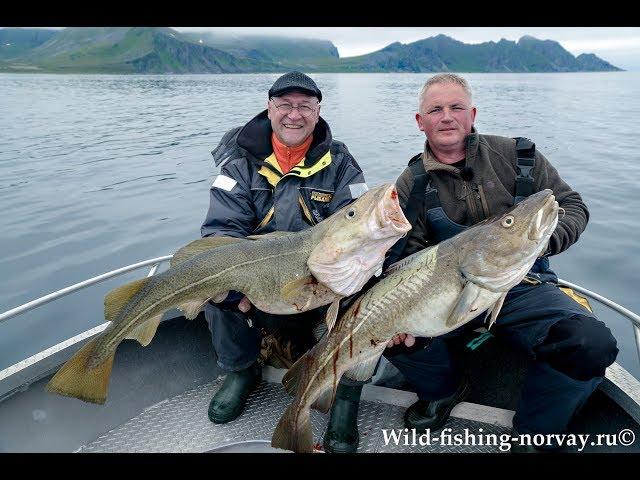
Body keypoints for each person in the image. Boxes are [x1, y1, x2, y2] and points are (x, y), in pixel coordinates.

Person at [374, 73, 618, 453]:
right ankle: (443, 391)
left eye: (456, 107)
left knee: (590, 343)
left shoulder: (520, 156)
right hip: (448, 288)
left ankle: (536, 433)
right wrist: (399, 315)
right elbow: (404, 256)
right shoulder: (410, 185)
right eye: (435, 110)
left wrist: (540, 244)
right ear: (420, 121)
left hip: (523, 285)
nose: (447, 117)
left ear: (472, 114)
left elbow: (571, 206)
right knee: (389, 336)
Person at [200, 71, 369, 453]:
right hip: (257, 282)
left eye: (305, 106)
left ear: (318, 111)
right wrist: (239, 289)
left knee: (367, 295)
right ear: (269, 107)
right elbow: (221, 232)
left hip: (319, 283)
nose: (295, 115)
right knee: (213, 284)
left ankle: (345, 396)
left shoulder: (341, 163)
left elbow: (354, 225)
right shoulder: (237, 163)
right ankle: (240, 371)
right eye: (285, 105)